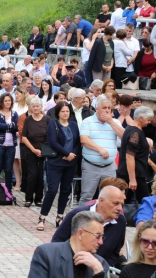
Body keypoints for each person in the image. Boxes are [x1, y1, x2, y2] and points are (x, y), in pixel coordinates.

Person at [51, 186, 126, 268]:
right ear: (101, 201)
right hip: (70, 267)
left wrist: (103, 267)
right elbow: (57, 243)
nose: (120, 208)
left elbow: (115, 253)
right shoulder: (78, 214)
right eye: (115, 203)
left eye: (122, 204)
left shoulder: (120, 221)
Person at [37, 102, 80, 231]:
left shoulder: (73, 124)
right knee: (52, 190)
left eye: (67, 111)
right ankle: (42, 218)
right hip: (56, 162)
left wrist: (72, 154)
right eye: (63, 111)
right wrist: (66, 153)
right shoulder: (53, 124)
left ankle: (60, 217)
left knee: (65, 190)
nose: (65, 114)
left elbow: (78, 142)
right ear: (58, 112)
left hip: (70, 163)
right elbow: (53, 142)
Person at [29, 211, 109, 278]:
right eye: (97, 236)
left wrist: (99, 273)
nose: (101, 242)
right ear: (80, 234)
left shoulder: (100, 264)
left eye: (102, 237)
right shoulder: (47, 254)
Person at [79, 96, 124, 205]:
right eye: (104, 108)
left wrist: (111, 122)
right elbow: (84, 140)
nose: (107, 110)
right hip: (91, 166)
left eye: (109, 108)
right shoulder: (87, 121)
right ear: (97, 108)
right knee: (87, 195)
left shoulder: (115, 122)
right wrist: (100, 150)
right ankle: (83, 220)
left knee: (110, 196)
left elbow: (124, 136)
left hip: (109, 167)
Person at [117, 106, 154, 203]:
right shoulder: (135, 133)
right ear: (141, 118)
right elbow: (130, 156)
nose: (149, 122)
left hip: (132, 173)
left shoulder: (131, 129)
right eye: (148, 120)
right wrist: (132, 179)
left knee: (124, 201)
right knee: (144, 202)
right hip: (133, 174)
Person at [22, 97, 50, 207]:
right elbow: (24, 136)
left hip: (43, 151)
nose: (35, 108)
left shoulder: (47, 119)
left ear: (41, 107)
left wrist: (42, 150)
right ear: (30, 107)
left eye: (37, 106)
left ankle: (39, 198)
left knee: (40, 175)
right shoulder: (28, 119)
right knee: (31, 175)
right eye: (33, 106)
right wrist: (33, 150)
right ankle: (28, 198)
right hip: (30, 151)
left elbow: (49, 136)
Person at [0, 93, 19, 192]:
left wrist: (7, 125)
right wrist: (10, 125)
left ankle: (8, 192)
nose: (8, 102)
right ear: (2, 102)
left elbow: (16, 127)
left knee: (8, 169)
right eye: (6, 101)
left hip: (11, 145)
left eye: (9, 100)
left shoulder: (14, 113)